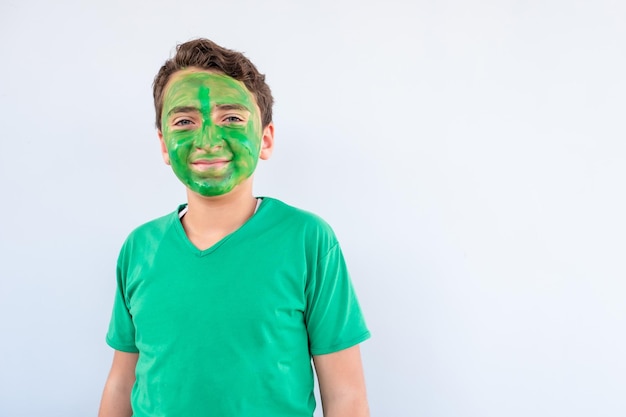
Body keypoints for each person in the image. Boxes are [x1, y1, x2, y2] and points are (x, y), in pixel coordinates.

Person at [98, 38, 370, 417]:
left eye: (231, 118)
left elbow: (346, 397)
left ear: (266, 138)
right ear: (163, 143)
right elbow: (121, 382)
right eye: (184, 121)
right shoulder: (138, 248)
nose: (208, 140)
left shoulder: (308, 240)